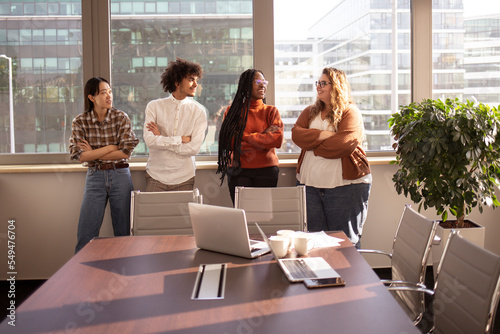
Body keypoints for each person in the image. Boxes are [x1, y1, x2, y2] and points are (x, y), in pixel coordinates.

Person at [291, 67, 371, 248]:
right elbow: (296, 135)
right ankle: (321, 278)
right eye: (318, 83)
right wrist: (321, 135)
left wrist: (313, 146)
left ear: (336, 86)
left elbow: (344, 144)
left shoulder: (350, 112)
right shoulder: (310, 111)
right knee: (315, 243)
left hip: (345, 189)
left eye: (323, 83)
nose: (318, 87)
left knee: (344, 244)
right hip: (310, 187)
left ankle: (346, 278)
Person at [69, 77, 139, 253]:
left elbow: (125, 152)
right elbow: (79, 155)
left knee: (123, 232)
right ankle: (82, 277)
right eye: (103, 92)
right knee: (86, 233)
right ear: (91, 97)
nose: (109, 96)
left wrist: (93, 152)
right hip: (95, 176)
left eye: (110, 91)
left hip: (120, 175)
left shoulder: (121, 117)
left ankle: (124, 275)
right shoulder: (80, 121)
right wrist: (110, 147)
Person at [217, 69, 284, 203]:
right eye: (257, 82)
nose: (262, 85)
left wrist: (243, 136)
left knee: (262, 214)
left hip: (267, 169)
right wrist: (262, 137)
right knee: (243, 213)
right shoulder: (232, 112)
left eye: (264, 81)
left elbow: (276, 140)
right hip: (238, 170)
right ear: (246, 85)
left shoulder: (271, 111)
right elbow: (230, 142)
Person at [143, 58, 207, 191]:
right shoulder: (154, 106)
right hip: (156, 175)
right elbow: (149, 141)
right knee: (153, 213)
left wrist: (162, 139)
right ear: (177, 82)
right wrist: (180, 140)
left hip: (185, 177)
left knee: (183, 213)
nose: (195, 84)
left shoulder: (199, 112)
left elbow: (193, 149)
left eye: (196, 80)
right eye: (191, 79)